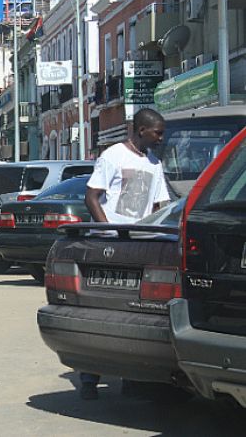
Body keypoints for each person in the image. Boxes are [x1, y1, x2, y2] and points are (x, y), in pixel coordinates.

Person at [79, 107, 171, 400]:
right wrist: (108, 231)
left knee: (132, 314)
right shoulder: (113, 156)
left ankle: (131, 378)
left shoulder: (155, 163)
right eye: (157, 133)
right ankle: (89, 378)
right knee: (101, 312)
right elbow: (91, 196)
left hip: (140, 246)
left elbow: (159, 207)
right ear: (141, 130)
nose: (161, 138)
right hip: (109, 245)